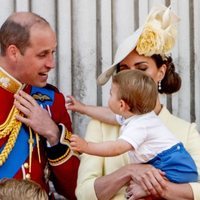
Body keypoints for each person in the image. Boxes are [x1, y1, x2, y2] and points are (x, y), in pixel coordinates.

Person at [66, 5, 200, 200]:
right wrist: (129, 171)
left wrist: (158, 187)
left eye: (141, 68)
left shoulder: (186, 132)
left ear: (161, 72)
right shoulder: (101, 126)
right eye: (125, 70)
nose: (132, 77)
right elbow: (84, 194)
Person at [0, 12, 79, 200]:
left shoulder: (51, 100)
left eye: (52, 52)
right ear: (14, 52)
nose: (51, 64)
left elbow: (75, 190)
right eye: (42, 54)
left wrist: (52, 133)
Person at [70, 69, 198, 185]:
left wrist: (86, 147)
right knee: (145, 182)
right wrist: (84, 108)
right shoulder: (135, 115)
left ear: (121, 105)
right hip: (170, 162)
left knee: (148, 186)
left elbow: (117, 148)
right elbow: (109, 116)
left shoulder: (140, 126)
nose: (109, 98)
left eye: (111, 94)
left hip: (174, 166)